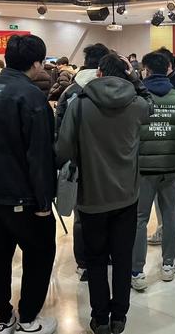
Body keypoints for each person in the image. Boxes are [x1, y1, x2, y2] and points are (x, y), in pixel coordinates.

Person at [56, 53, 151, 334]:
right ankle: (119, 316)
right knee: (122, 258)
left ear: (98, 73)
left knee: (96, 260)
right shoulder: (137, 105)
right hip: (127, 196)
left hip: (91, 197)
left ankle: (100, 318)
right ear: (126, 73)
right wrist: (135, 78)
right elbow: (151, 105)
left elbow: (63, 149)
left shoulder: (79, 104)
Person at [0, 35, 58, 334]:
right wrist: (44, 201)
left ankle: (3, 316)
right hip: (21, 194)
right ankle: (28, 318)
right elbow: (40, 154)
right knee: (40, 253)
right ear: (36, 63)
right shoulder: (31, 96)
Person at [130, 52, 175, 291]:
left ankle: (137, 271)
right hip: (171, 167)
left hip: (143, 169)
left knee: (139, 219)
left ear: (146, 70)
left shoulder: (137, 99)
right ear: (168, 69)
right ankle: (168, 265)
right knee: (170, 216)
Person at [54, 43, 111, 283]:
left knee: (81, 215)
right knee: (109, 211)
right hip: (110, 162)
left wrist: (63, 161)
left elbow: (60, 131)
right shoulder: (113, 90)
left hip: (78, 162)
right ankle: (106, 255)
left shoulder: (70, 92)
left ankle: (84, 262)